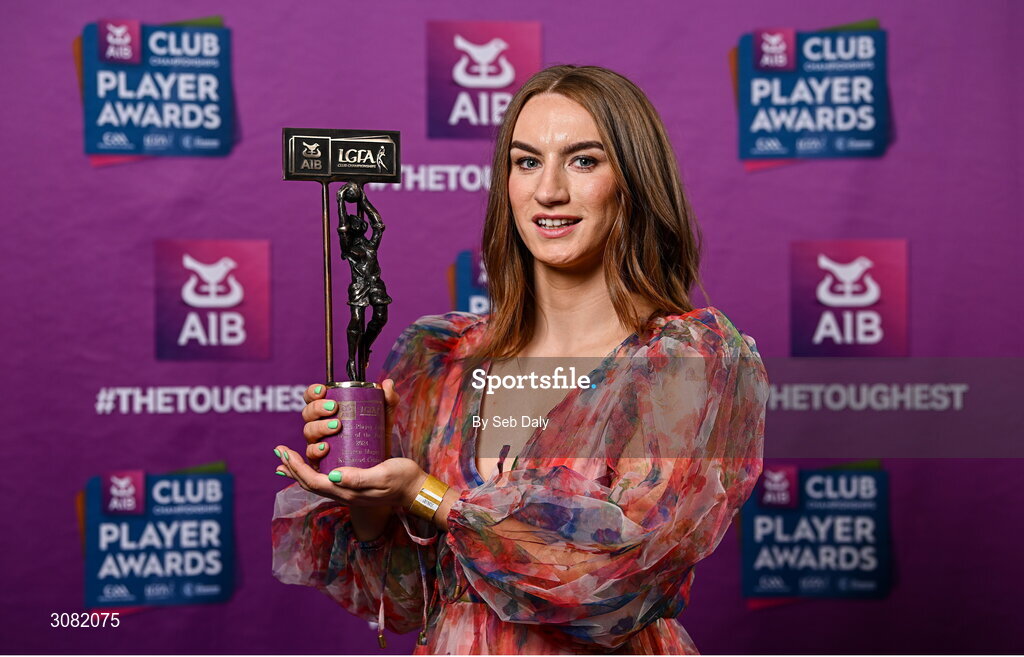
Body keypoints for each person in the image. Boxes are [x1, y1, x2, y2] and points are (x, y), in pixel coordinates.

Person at [271, 65, 769, 654]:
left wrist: (425, 494)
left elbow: (615, 580)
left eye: (583, 161)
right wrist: (372, 502)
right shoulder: (440, 360)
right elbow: (402, 598)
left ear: (634, 180)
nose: (548, 190)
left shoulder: (687, 363)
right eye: (527, 161)